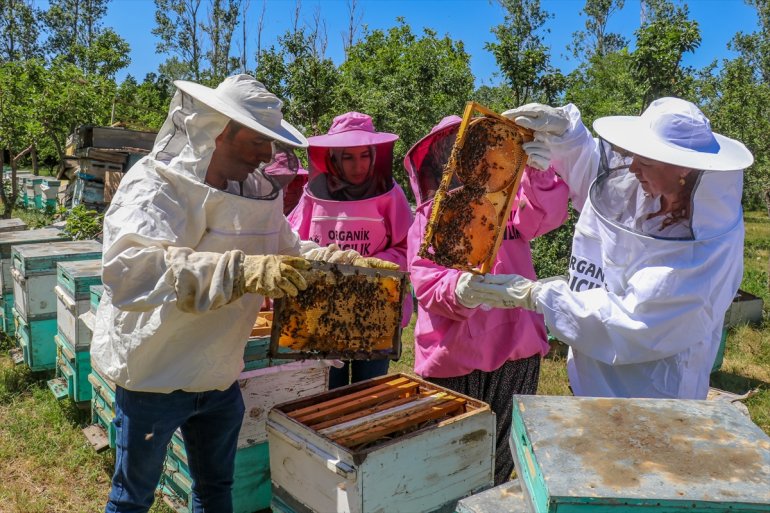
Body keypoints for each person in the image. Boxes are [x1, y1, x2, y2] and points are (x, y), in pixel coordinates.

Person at [90, 75, 394, 513]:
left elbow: (290, 250)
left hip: (218, 372)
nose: (266, 155)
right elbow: (130, 270)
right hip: (154, 374)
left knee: (216, 490)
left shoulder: (255, 191)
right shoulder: (156, 186)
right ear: (218, 131)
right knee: (132, 498)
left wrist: (341, 262)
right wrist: (240, 270)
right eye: (257, 140)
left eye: (270, 142)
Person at [465, 97, 754, 400]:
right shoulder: (647, 186)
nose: (632, 168)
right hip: (591, 375)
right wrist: (566, 134)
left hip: (653, 394)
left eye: (646, 162)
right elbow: (594, 176)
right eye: (634, 156)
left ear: (683, 168)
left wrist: (537, 296)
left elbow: (634, 323)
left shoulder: (705, 250)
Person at [405, 115, 569, 485]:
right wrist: (459, 288)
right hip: (454, 354)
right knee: (449, 461)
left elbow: (547, 216)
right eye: (456, 152)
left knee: (501, 457)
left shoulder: (511, 201)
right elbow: (424, 278)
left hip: (515, 348)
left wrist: (539, 174)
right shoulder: (429, 216)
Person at [288, 111, 414, 389]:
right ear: (333, 158)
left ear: (374, 155)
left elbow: (409, 246)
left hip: (376, 308)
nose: (358, 165)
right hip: (325, 309)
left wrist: (368, 264)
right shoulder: (313, 193)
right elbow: (293, 241)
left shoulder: (390, 193)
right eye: (348, 157)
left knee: (369, 393)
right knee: (325, 392)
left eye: (364, 155)